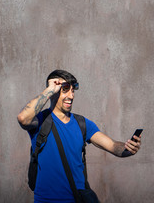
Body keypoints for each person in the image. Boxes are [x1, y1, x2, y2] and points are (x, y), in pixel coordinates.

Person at [17, 69, 141, 203]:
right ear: (53, 91)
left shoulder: (82, 124)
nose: (71, 96)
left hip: (77, 199)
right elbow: (23, 118)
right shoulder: (40, 121)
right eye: (65, 90)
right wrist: (50, 90)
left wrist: (129, 148)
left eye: (73, 90)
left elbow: (113, 146)